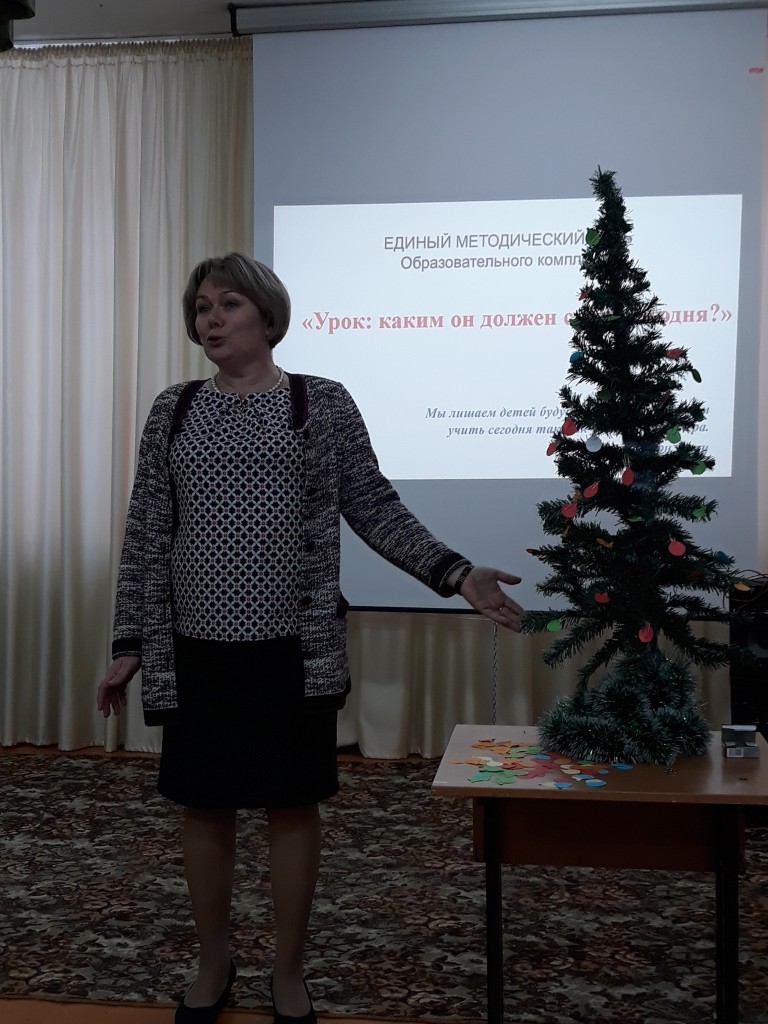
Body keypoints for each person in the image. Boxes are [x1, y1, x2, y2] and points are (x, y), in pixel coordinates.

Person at [97, 252, 523, 1024]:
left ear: (267, 315)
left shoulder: (319, 403)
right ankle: (214, 962)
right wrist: (129, 644)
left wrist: (456, 573)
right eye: (201, 308)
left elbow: (375, 506)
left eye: (228, 304)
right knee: (205, 806)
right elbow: (146, 532)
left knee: (291, 806)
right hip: (195, 651)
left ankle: (288, 970)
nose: (211, 319)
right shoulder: (173, 409)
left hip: (290, 652)